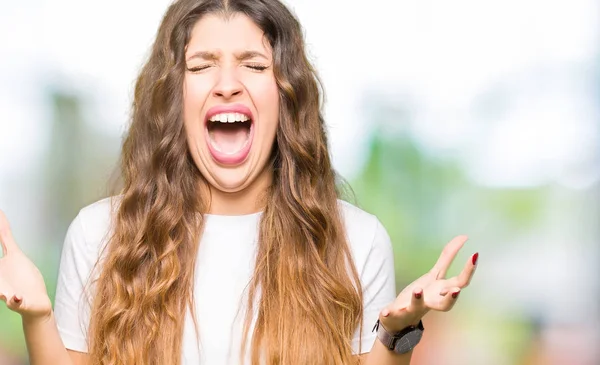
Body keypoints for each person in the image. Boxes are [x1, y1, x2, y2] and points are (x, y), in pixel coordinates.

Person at [0, 0, 478, 364]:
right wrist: (37, 318)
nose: (227, 83)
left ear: (285, 95)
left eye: (253, 65)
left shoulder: (358, 240)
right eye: (202, 65)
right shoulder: (98, 233)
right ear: (175, 96)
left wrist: (398, 332)